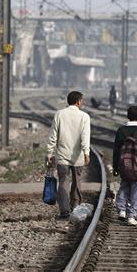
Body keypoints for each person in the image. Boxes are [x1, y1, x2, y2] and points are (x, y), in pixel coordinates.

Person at [47, 91, 91, 219]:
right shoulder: (84, 117)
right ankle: (76, 207)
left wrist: (50, 153)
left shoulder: (59, 114)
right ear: (78, 102)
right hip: (78, 157)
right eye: (81, 101)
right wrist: (86, 153)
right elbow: (85, 137)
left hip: (62, 156)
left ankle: (64, 210)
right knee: (77, 182)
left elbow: (53, 136)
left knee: (63, 182)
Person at [113, 106, 137, 226]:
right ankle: (132, 216)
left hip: (124, 164)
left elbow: (116, 150)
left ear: (127, 116)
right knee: (136, 189)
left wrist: (115, 167)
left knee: (124, 185)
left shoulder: (121, 131)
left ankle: (121, 209)